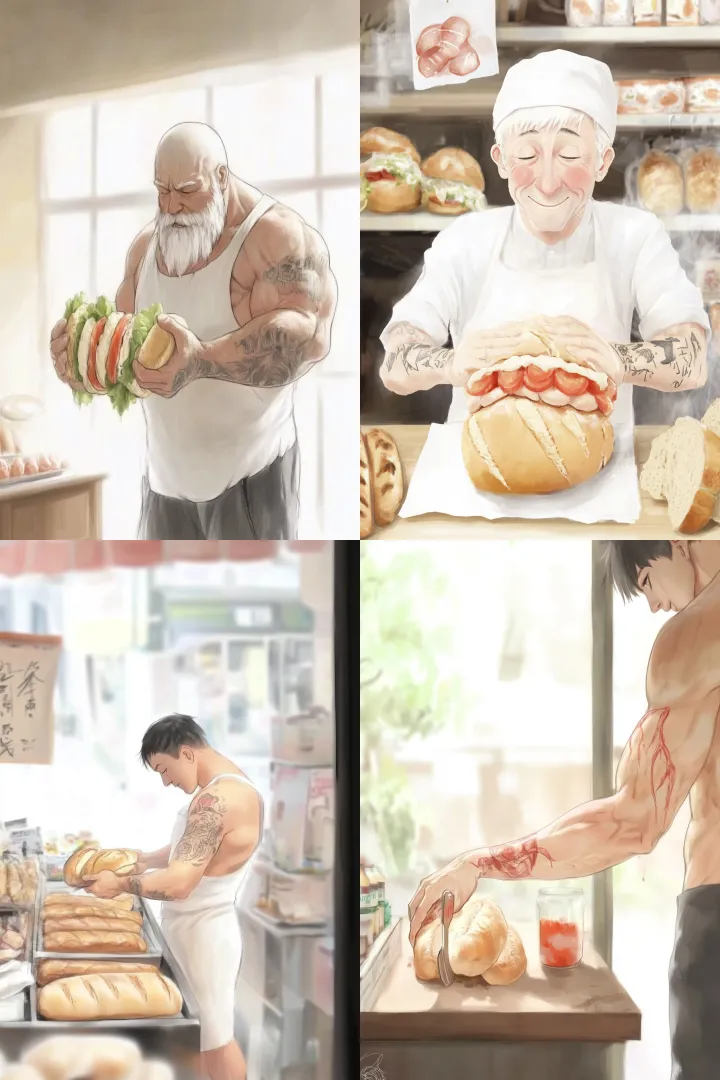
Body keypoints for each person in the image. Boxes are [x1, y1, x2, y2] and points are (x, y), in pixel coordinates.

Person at [408, 540, 720, 1080]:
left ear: (679, 540)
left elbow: (630, 823)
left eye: (647, 582)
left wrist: (479, 862)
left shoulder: (697, 636)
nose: (654, 606)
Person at [380, 51, 709, 434]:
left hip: (602, 470)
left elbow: (694, 358)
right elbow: (394, 366)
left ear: (602, 161)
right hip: (471, 469)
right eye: (526, 155)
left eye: (570, 155)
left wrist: (617, 359)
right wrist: (451, 364)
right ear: (501, 159)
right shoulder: (464, 241)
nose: (548, 183)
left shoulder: (635, 235)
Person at [49, 122, 338, 540]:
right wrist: (83, 364)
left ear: (221, 177)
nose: (172, 206)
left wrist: (202, 361)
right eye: (162, 191)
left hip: (251, 483)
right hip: (163, 490)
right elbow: (127, 369)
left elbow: (307, 340)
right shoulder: (145, 250)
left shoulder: (275, 237)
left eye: (186, 190)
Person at [85, 713, 263, 1080]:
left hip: (204, 935)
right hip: (196, 930)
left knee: (217, 1039)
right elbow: (191, 851)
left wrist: (116, 886)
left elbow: (180, 883)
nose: (166, 782)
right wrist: (140, 860)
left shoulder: (216, 799)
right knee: (202, 1039)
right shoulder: (228, 788)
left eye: (164, 770)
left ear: (187, 753)